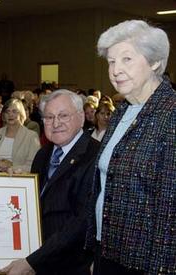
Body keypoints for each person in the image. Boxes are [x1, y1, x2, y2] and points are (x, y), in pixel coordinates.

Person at [91, 20, 176, 274]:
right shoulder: (121, 113)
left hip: (146, 263)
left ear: (154, 62)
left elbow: (170, 210)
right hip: (107, 248)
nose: (116, 70)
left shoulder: (171, 115)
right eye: (111, 61)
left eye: (127, 59)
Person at [0, 90, 100, 275]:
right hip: (37, 257)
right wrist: (18, 186)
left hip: (68, 266)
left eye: (63, 116)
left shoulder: (95, 157)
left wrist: (33, 261)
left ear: (80, 117)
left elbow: (81, 224)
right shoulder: (43, 154)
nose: (55, 123)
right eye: (49, 117)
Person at [0, 98, 40, 173]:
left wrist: (12, 167)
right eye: (7, 112)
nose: (10, 114)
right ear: (3, 115)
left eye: (14, 111)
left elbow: (34, 165)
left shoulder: (31, 136)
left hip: (19, 180)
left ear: (21, 114)